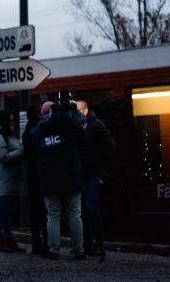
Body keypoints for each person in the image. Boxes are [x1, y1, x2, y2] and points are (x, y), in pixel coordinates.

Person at [31, 99, 86, 260]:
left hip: (50, 177)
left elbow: (33, 144)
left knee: (53, 214)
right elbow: (83, 139)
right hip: (72, 176)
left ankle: (54, 249)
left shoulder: (40, 129)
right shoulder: (69, 125)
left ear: (44, 114)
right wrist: (74, 116)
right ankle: (79, 250)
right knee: (75, 214)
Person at [76, 99, 113, 258]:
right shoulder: (82, 125)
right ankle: (88, 244)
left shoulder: (96, 125)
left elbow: (108, 147)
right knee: (85, 209)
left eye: (77, 110)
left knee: (91, 208)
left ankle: (97, 243)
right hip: (84, 172)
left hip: (92, 172)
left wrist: (100, 169)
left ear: (84, 110)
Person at [0, 110, 25, 253]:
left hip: (11, 179)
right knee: (2, 210)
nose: (12, 122)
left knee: (7, 211)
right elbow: (3, 156)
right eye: (10, 120)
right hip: (5, 179)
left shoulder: (6, 136)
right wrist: (22, 151)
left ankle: (8, 239)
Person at [22, 102, 49, 255]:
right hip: (41, 173)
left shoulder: (26, 132)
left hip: (31, 174)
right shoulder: (40, 129)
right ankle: (46, 244)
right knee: (44, 211)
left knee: (35, 211)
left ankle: (36, 244)